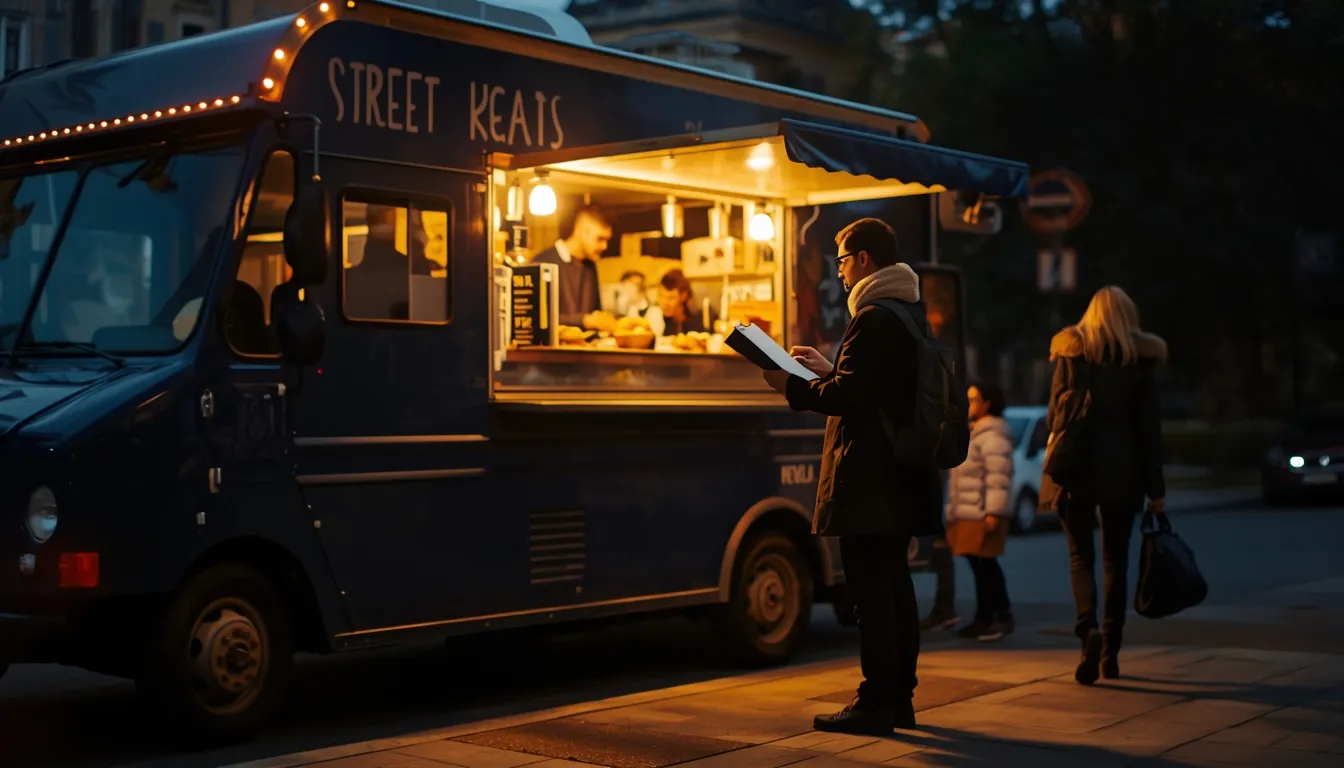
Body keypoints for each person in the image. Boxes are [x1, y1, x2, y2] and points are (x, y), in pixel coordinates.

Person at [763, 217, 941, 735]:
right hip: (903, 475)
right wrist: (828, 367)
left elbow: (851, 400)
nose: (837, 271)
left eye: (840, 259)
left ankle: (876, 702)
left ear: (863, 259)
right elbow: (873, 387)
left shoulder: (873, 317)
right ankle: (898, 698)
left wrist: (789, 386)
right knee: (895, 587)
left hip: (872, 480)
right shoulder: (907, 311)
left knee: (870, 592)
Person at [1042, 285, 1167, 685]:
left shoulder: (1070, 354)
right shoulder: (1139, 361)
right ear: (1129, 318)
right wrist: (1156, 489)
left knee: (1080, 559)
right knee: (1116, 562)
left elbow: (1053, 417)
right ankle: (1110, 653)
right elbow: (1150, 431)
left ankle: (1087, 634)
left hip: (1075, 469)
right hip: (1124, 474)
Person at [945, 382, 1016, 641]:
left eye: (974, 399)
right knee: (979, 565)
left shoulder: (993, 435)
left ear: (987, 403)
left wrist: (994, 512)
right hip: (969, 512)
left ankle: (998, 616)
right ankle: (985, 617)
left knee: (986, 565)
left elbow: (998, 477)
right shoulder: (977, 432)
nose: (969, 404)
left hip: (982, 513)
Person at [531, 203, 611, 326]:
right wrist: (584, 321)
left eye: (607, 240)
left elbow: (595, 312)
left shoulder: (590, 266)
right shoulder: (542, 262)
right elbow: (535, 318)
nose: (605, 246)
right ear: (580, 230)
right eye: (600, 239)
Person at [647, 268, 708, 337]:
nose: (664, 303)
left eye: (670, 298)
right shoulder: (660, 322)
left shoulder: (699, 321)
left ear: (683, 296)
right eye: (661, 296)